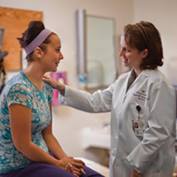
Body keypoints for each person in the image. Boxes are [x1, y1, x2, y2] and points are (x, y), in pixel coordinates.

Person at [43, 21, 176, 177]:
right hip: (123, 165)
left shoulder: (159, 85)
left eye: (127, 50)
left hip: (149, 169)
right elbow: (95, 102)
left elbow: (158, 132)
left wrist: (138, 165)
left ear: (144, 53)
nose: (121, 55)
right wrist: (62, 88)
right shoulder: (123, 80)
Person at [0, 21, 104, 177]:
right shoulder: (19, 89)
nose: (61, 56)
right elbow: (23, 145)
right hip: (18, 168)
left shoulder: (47, 85)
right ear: (39, 52)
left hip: (41, 161)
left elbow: (47, 134)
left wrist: (65, 160)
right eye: (57, 50)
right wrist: (58, 164)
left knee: (92, 175)